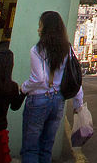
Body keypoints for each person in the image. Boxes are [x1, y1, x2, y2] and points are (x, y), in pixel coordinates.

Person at [21, 11, 83, 163]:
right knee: (46, 146)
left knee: (30, 147)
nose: (38, 29)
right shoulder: (67, 49)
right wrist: (78, 103)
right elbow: (74, 77)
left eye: (40, 26)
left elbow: (38, 79)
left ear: (46, 28)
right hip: (58, 101)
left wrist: (23, 88)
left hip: (39, 100)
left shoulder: (37, 50)